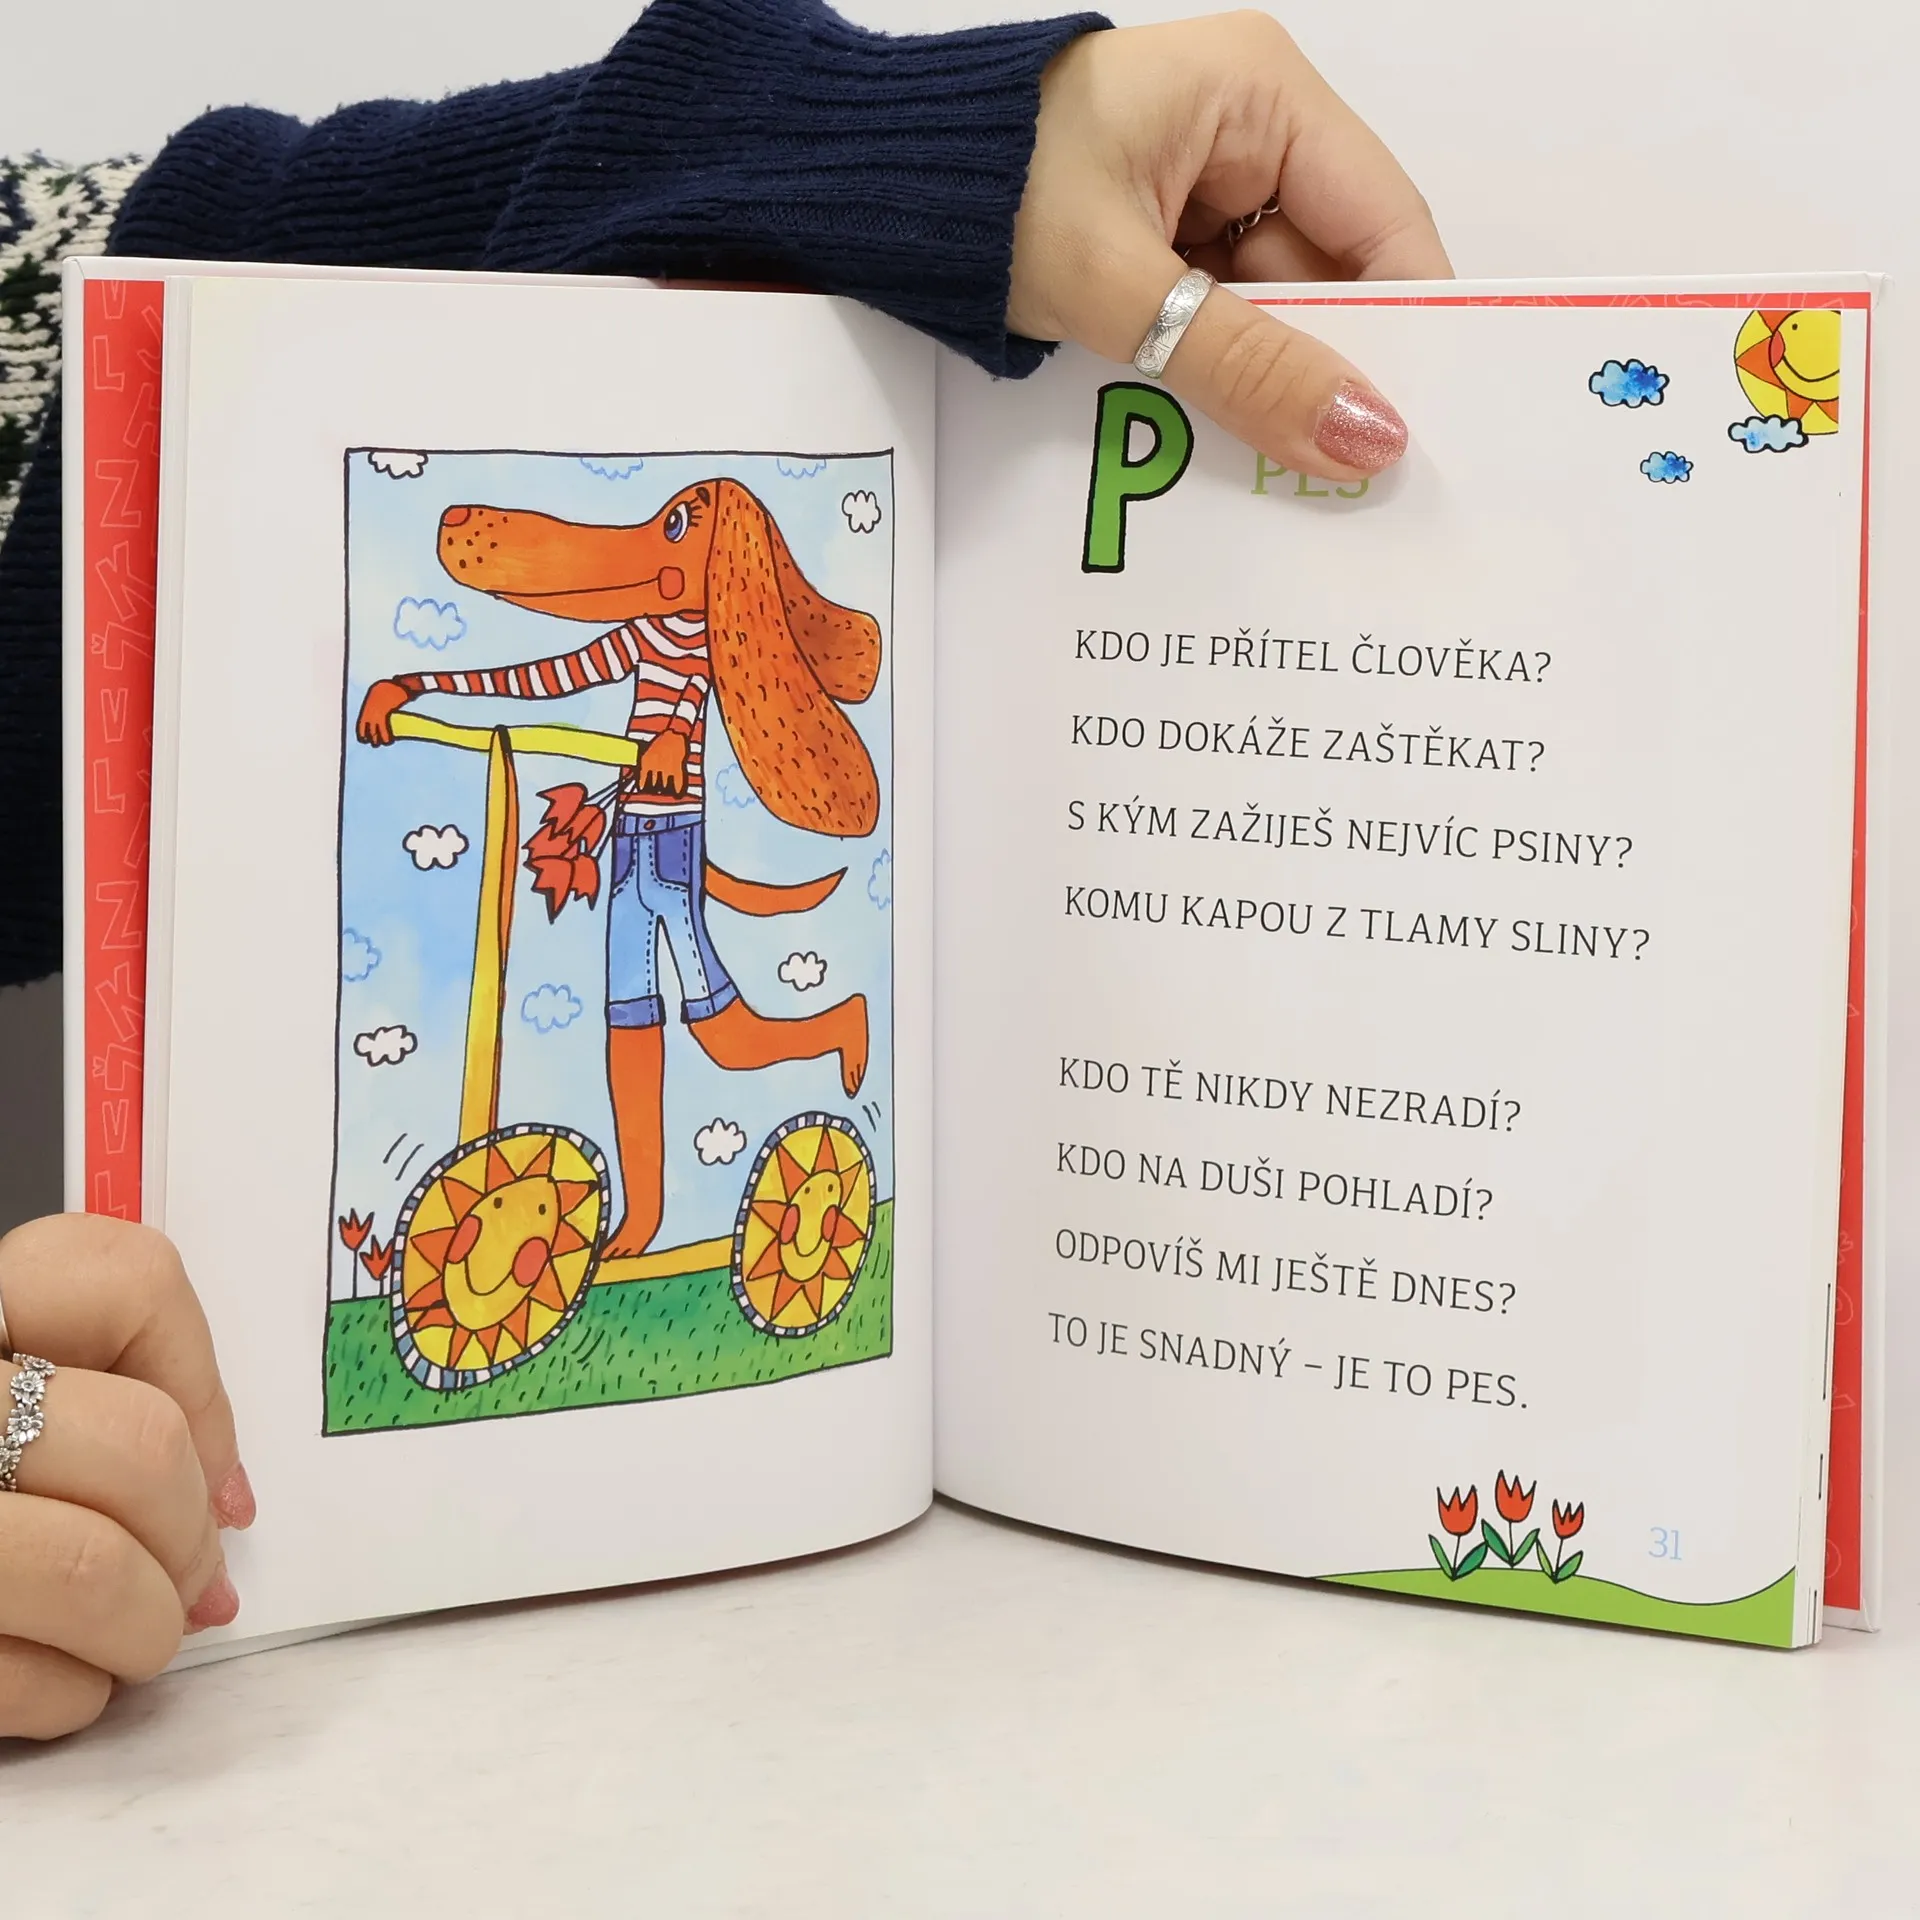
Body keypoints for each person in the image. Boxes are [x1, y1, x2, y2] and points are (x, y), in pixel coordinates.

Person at [0, 0, 1449, 1739]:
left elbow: (230, 250)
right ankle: (650, 1192)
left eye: (674, 546)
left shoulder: (690, 638)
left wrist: (948, 133)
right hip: (622, 840)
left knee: (701, 1016)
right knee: (648, 1024)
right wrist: (429, 697)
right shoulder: (638, 636)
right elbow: (552, 662)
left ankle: (819, 1052)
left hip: (662, 841)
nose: (649, 562)